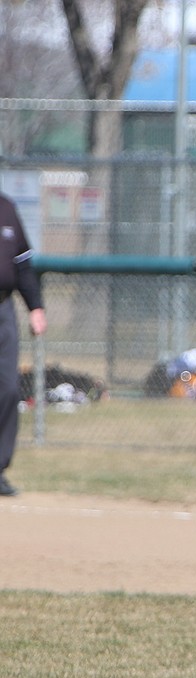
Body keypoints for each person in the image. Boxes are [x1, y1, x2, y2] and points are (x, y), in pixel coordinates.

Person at [0, 192, 47, 497]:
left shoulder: (6, 208)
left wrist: (35, 306)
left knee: (8, 388)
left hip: (3, 310)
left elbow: (23, 266)